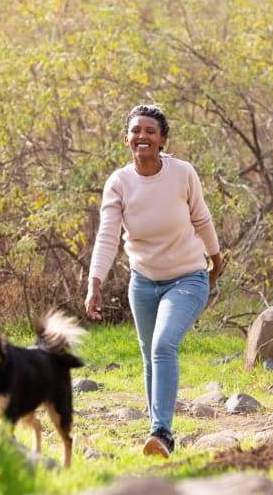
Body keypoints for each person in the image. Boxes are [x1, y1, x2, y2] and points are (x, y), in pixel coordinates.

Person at [85, 104, 222, 459]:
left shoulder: (182, 174)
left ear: (162, 139)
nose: (142, 136)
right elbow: (107, 236)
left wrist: (216, 262)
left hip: (188, 277)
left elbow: (202, 219)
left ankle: (162, 433)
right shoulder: (119, 183)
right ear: (126, 138)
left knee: (163, 345)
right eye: (136, 130)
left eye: (150, 131)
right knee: (149, 355)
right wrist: (95, 283)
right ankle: (156, 429)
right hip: (143, 282)